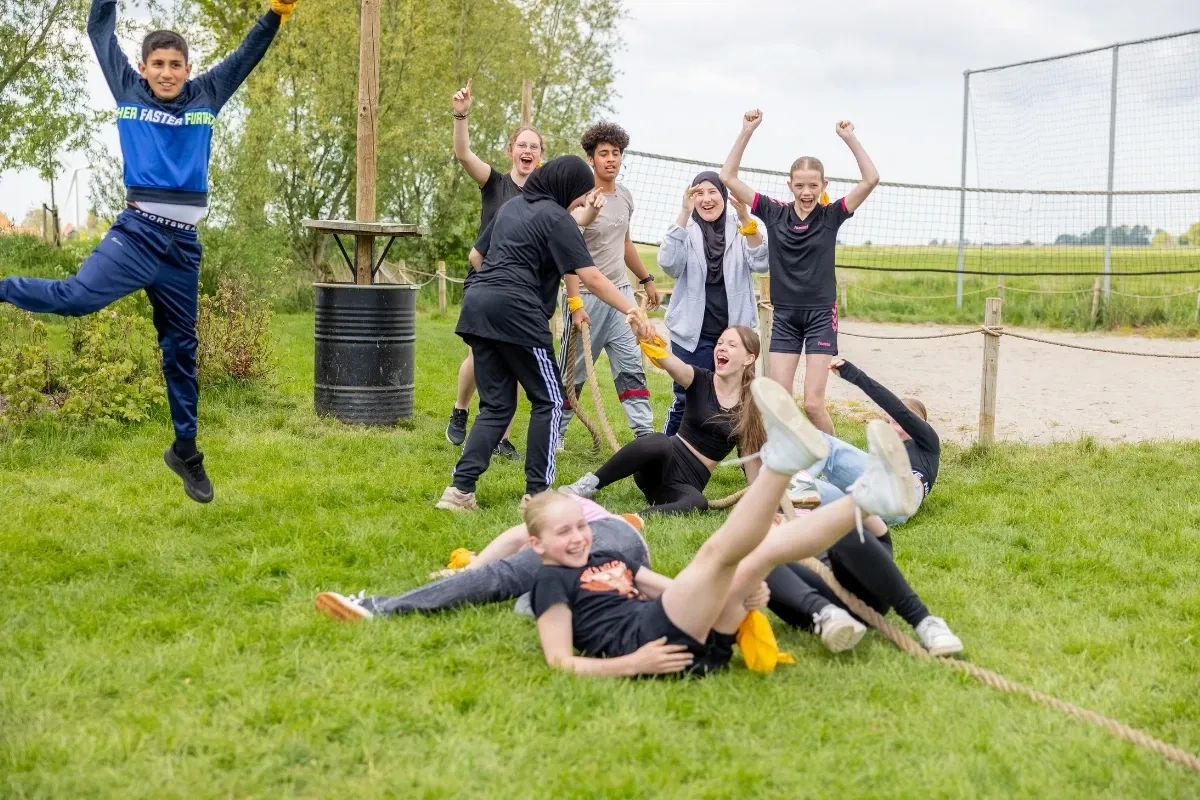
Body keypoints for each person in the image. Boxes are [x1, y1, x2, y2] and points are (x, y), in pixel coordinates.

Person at [0, 0, 296, 503]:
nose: (166, 72)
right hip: (136, 235)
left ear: (188, 68)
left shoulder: (207, 94)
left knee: (181, 351)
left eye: (175, 64)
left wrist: (274, 14)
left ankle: (186, 452)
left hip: (182, 249)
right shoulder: (128, 89)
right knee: (76, 297)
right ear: (143, 68)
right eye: (157, 64)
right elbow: (99, 30)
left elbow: (246, 55)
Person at [527, 377, 922, 678]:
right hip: (651, 638)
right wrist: (634, 663)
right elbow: (559, 660)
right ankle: (788, 466)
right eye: (563, 533)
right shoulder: (552, 581)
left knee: (756, 557)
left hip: (690, 630)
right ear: (537, 544)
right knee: (717, 553)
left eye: (579, 526)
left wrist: (731, 592)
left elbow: (668, 588)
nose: (577, 537)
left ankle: (867, 500)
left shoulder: (606, 557)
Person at [434, 156, 656, 512]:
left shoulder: (512, 208)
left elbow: (476, 256)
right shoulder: (556, 218)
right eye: (580, 194)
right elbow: (593, 278)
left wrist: (503, 282)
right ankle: (538, 496)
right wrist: (632, 310)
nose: (581, 201)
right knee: (550, 401)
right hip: (518, 314)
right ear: (566, 188)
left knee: (496, 406)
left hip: (479, 308)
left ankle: (459, 492)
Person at [720, 110, 880, 436]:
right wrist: (747, 130)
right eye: (800, 185)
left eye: (813, 185)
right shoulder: (773, 211)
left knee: (812, 404)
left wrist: (849, 138)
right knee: (779, 403)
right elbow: (728, 176)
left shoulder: (832, 214)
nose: (806, 192)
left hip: (820, 315)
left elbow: (870, 179)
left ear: (824, 185)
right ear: (790, 185)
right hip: (785, 317)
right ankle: (788, 461)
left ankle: (834, 460)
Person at [316, 495, 651, 619]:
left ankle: (378, 608)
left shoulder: (559, 515)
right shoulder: (584, 519)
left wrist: (472, 569)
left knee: (503, 578)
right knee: (530, 603)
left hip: (614, 542)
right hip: (633, 555)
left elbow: (514, 542)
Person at [560, 325, 764, 516]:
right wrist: (645, 333)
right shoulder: (700, 379)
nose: (722, 348)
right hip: (658, 464)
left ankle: (634, 518)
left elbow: (751, 459)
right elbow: (670, 361)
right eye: (720, 343)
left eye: (732, 345)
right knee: (659, 440)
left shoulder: (750, 408)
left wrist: (761, 502)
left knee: (698, 502)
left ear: (749, 358)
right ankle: (589, 485)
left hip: (686, 483)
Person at [444, 80, 543, 461]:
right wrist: (461, 115)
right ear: (510, 150)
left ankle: (502, 437)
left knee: (513, 359)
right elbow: (463, 153)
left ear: (540, 156)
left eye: (534, 147)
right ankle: (460, 409)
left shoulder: (543, 198)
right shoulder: (495, 183)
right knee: (480, 352)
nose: (527, 151)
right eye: (522, 145)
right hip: (484, 279)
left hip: (522, 288)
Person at [558, 122, 660, 443]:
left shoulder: (625, 196)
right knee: (573, 374)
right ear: (591, 159)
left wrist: (646, 278)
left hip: (620, 296)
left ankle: (644, 435)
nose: (611, 159)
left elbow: (625, 244)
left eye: (616, 153)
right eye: (604, 153)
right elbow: (568, 254)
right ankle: (554, 435)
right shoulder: (580, 199)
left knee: (631, 364)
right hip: (584, 297)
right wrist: (574, 303)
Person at [658, 170, 769, 436]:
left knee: (740, 402)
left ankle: (750, 459)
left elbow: (762, 262)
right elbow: (669, 265)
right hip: (692, 336)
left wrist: (746, 219)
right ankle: (667, 453)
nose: (706, 199)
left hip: (734, 335)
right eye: (699, 193)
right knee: (687, 400)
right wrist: (683, 214)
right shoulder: (686, 230)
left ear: (724, 195)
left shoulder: (740, 227)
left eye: (713, 192)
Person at [765, 526, 964, 656]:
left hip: (863, 585)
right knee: (754, 550)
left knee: (847, 526)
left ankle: (925, 621)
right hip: (804, 598)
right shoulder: (767, 510)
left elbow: (881, 537)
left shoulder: (828, 498)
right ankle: (828, 614)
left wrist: (856, 506)